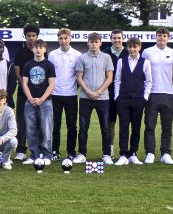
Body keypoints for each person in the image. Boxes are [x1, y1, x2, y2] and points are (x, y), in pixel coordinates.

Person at [75, 33, 115, 164]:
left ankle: (106, 154)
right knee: (83, 127)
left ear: (100, 43)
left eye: (96, 41)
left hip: (102, 98)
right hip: (86, 98)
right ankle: (82, 153)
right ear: (87, 43)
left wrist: (98, 92)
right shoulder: (82, 58)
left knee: (105, 127)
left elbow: (109, 77)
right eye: (91, 41)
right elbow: (79, 77)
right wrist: (88, 91)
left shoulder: (106, 57)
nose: (93, 44)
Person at [141, 28, 173, 165]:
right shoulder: (147, 52)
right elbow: (144, 70)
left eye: (164, 36)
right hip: (152, 93)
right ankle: (150, 152)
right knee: (150, 125)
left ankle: (166, 153)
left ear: (168, 38)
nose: (161, 38)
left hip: (168, 93)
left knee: (167, 126)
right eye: (159, 36)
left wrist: (169, 83)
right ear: (155, 37)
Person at [113, 38, 152, 165]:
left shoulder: (145, 62)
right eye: (130, 47)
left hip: (138, 100)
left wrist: (144, 97)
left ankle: (133, 153)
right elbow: (117, 80)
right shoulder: (121, 61)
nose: (132, 49)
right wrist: (117, 96)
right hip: (123, 99)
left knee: (136, 127)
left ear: (139, 47)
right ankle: (123, 154)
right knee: (124, 127)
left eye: (135, 47)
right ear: (127, 48)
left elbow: (148, 81)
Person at [47, 28, 82, 162]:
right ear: (58, 39)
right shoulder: (52, 54)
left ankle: (71, 152)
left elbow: (79, 76)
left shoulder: (77, 55)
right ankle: (54, 150)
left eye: (65, 38)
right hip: (55, 95)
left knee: (72, 125)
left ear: (70, 38)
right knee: (55, 125)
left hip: (71, 95)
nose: (63, 41)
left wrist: (74, 87)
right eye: (61, 38)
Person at [21, 39, 56, 163]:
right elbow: (24, 83)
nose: (38, 49)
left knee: (46, 129)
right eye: (36, 47)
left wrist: (42, 99)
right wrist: (30, 98)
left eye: (41, 47)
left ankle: (47, 155)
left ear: (45, 50)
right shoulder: (27, 65)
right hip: (30, 101)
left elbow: (51, 84)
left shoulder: (49, 65)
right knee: (30, 129)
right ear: (33, 49)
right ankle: (34, 155)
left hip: (45, 102)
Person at [11, 25, 39, 161]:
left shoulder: (42, 52)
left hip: (39, 94)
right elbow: (17, 71)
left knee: (38, 122)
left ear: (37, 37)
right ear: (25, 37)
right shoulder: (20, 52)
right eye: (29, 35)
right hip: (23, 93)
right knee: (21, 122)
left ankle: (38, 149)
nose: (31, 38)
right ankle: (21, 150)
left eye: (33, 36)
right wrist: (25, 86)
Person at [103, 29, 128, 154]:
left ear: (123, 38)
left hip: (126, 94)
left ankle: (125, 151)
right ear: (110, 38)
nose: (117, 40)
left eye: (119, 38)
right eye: (114, 38)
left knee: (125, 124)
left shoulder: (129, 52)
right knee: (110, 123)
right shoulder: (105, 53)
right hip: (110, 93)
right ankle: (110, 149)